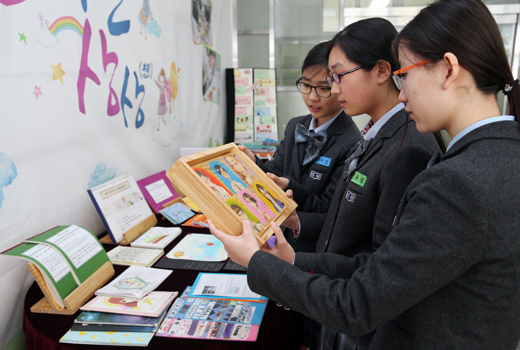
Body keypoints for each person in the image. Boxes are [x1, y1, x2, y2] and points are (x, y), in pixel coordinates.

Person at [210, 1, 520, 349]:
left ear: (448, 69)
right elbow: (386, 265)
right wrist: (294, 259)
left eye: (406, 75)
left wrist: (255, 261)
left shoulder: (455, 181)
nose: (402, 95)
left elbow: (358, 302)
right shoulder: (500, 154)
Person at [240, 40, 362, 252]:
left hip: (308, 248)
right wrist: (254, 164)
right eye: (306, 85)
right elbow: (274, 172)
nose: (312, 97)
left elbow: (329, 210)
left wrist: (288, 185)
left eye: (323, 88)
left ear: (337, 85)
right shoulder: (296, 125)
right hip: (273, 237)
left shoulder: (351, 142)